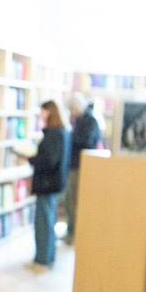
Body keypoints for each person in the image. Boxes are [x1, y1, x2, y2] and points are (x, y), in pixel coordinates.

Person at [29, 100, 68, 269]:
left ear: (49, 112)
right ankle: (47, 255)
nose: (40, 114)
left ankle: (43, 258)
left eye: (43, 111)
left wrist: (32, 158)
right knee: (48, 219)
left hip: (46, 184)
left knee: (43, 221)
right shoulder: (62, 132)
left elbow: (49, 160)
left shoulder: (52, 134)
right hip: (55, 183)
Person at [63, 92, 103, 243]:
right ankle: (70, 230)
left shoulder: (90, 120)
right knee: (69, 200)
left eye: (72, 109)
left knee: (74, 201)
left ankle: (74, 234)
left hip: (80, 166)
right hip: (74, 165)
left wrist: (71, 137)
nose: (71, 113)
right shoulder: (79, 120)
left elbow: (88, 143)